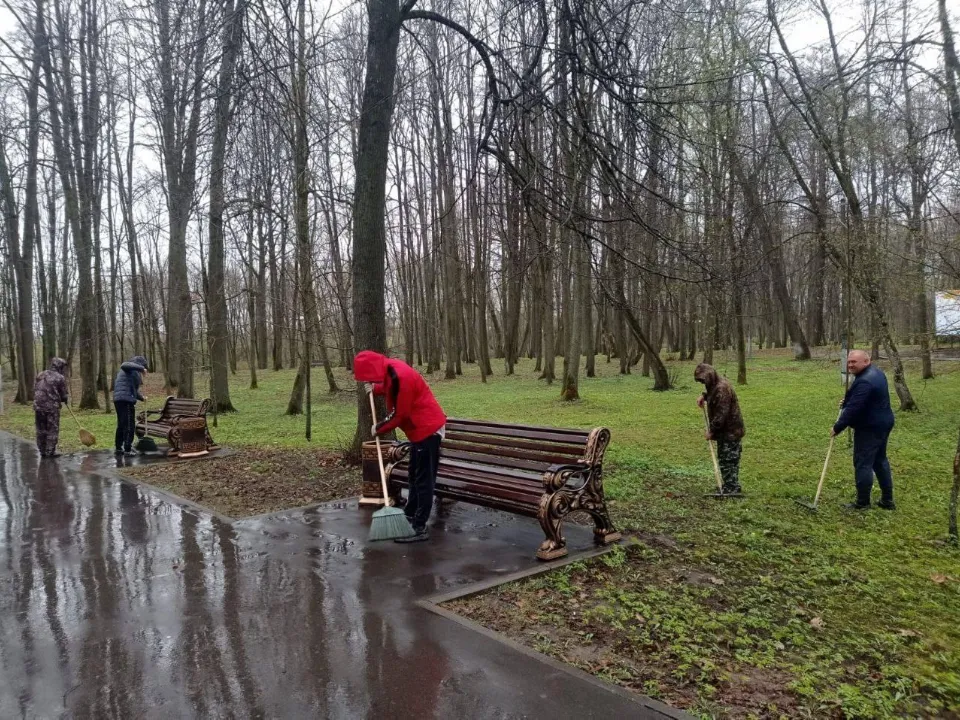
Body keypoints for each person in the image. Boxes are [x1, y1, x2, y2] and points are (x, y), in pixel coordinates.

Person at [353, 350, 447, 543]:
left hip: (427, 430)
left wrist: (379, 428)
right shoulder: (390, 369)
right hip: (418, 431)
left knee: (423, 480)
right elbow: (390, 386)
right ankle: (410, 514)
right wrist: (376, 388)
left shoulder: (401, 376)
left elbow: (400, 414)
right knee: (413, 474)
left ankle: (419, 527)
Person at [831, 350, 896, 510]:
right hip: (883, 422)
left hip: (870, 427)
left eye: (854, 362)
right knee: (880, 460)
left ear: (866, 361)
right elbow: (862, 398)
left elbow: (854, 409)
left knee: (863, 463)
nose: (851, 364)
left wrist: (837, 427)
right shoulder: (877, 373)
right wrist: (848, 399)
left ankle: (862, 503)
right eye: (849, 361)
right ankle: (887, 501)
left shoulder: (865, 381)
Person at [694, 363, 746, 495]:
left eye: (703, 380)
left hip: (731, 431)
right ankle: (730, 486)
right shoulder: (715, 386)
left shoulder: (722, 389)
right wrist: (704, 396)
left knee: (728, 460)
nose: (703, 383)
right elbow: (713, 395)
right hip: (725, 431)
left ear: (710, 376)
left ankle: (731, 488)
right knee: (725, 458)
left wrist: (711, 431)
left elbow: (720, 415)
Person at [33, 357, 69, 459]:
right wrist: (65, 399)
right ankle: (50, 452)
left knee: (40, 429)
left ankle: (42, 451)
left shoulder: (40, 374)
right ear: (60, 366)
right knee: (52, 429)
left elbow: (36, 388)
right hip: (51, 407)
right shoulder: (59, 377)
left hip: (38, 406)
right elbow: (64, 395)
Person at [113, 355, 148, 456]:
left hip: (119, 399)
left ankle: (118, 447)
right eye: (143, 366)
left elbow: (133, 390)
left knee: (121, 425)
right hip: (126, 400)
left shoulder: (130, 373)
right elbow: (124, 364)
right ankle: (128, 449)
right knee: (129, 425)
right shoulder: (128, 368)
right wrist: (142, 369)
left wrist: (142, 398)